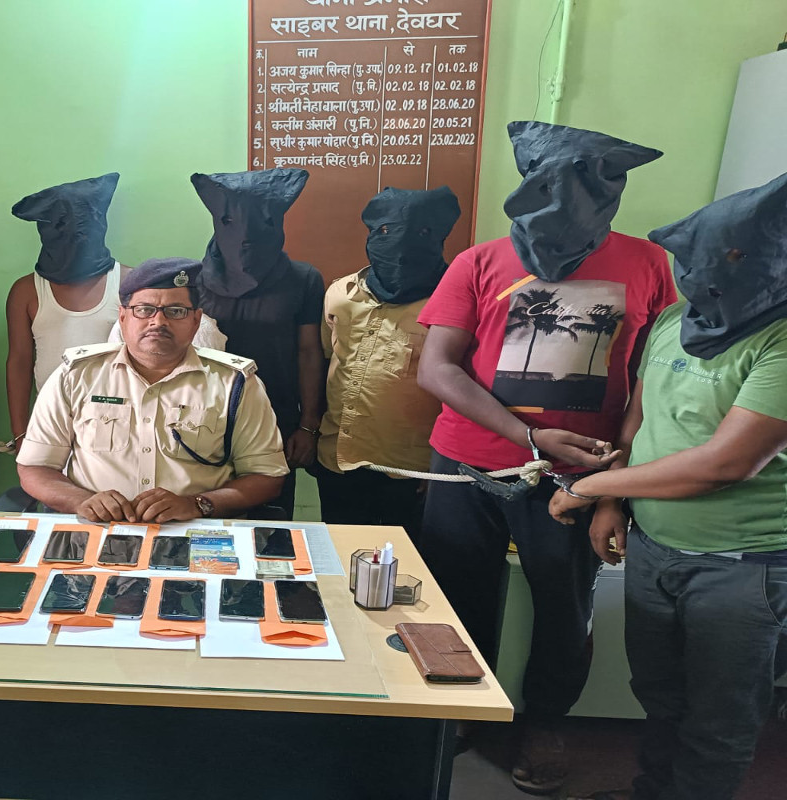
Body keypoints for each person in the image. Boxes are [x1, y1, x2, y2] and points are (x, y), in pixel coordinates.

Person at [415, 121, 676, 794]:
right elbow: (437, 369)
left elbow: (652, 381)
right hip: (469, 463)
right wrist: (529, 437)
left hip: (580, 475)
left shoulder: (648, 264)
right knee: (454, 595)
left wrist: (615, 482)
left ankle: (545, 722)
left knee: (564, 606)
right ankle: (459, 708)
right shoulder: (478, 262)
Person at [550, 173, 787, 800]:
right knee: (658, 696)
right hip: (655, 549)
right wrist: (613, 501)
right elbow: (640, 417)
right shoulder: (677, 319)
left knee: (718, 719)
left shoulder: (780, 339)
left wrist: (589, 485)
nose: (701, 277)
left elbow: (725, 463)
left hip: (743, 568)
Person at [16, 258, 287, 523]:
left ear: (196, 320)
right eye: (144, 310)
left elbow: (267, 477)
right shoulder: (76, 376)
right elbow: (35, 468)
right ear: (123, 317)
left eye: (176, 311)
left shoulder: (235, 383)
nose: (158, 322)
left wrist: (197, 504)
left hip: (196, 533)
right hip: (97, 531)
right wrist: (83, 501)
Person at [312, 186, 461, 533]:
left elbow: (460, 389)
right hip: (339, 459)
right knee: (341, 552)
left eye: (419, 233)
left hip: (411, 469)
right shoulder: (341, 293)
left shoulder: (452, 303)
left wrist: (441, 467)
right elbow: (327, 362)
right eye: (385, 231)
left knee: (410, 560)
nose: (399, 244)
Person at [192, 168, 324, 519]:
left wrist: (308, 425)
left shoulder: (303, 279)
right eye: (231, 222)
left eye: (261, 222)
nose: (246, 237)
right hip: (204, 423)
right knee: (204, 523)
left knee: (270, 525)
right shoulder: (192, 281)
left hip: (276, 419)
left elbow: (309, 352)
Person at [4, 173, 128, 454]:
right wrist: (20, 433)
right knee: (50, 484)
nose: (71, 236)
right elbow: (19, 362)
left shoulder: (128, 282)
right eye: (59, 226)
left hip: (118, 423)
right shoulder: (27, 291)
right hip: (51, 424)